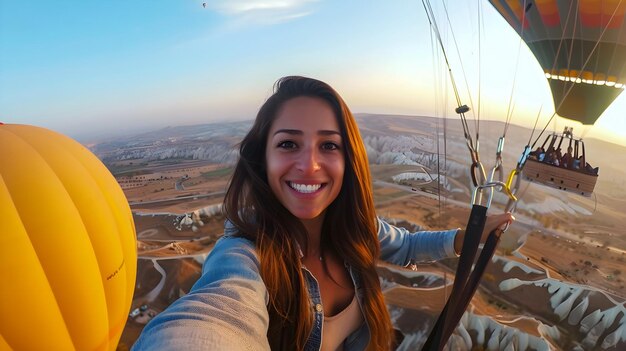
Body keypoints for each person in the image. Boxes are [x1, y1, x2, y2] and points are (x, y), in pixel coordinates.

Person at [131, 76, 513, 351]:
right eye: (288, 144)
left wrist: (473, 235)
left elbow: (408, 246)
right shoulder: (244, 253)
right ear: (262, 159)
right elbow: (219, 313)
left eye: (328, 145)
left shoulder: (352, 229)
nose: (309, 165)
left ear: (348, 160)